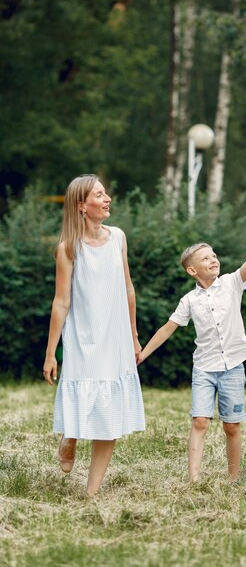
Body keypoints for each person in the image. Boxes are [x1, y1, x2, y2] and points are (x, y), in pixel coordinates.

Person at [138, 209, 246, 482]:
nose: (213, 259)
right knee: (199, 421)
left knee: (232, 426)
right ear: (192, 270)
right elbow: (167, 329)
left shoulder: (232, 283)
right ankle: (193, 479)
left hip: (233, 367)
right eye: (205, 258)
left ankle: (233, 478)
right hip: (204, 368)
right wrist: (143, 354)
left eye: (213, 255)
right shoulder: (189, 300)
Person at [43, 174, 145, 497]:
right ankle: (70, 435)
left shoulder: (118, 238)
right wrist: (50, 352)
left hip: (114, 339)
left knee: (110, 416)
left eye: (105, 193)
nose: (107, 199)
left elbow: (128, 289)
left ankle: (91, 493)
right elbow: (61, 301)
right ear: (82, 206)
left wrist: (133, 336)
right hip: (83, 338)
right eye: (100, 195)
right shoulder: (69, 248)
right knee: (82, 398)